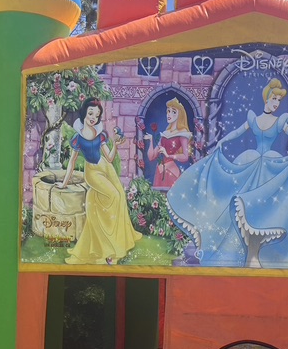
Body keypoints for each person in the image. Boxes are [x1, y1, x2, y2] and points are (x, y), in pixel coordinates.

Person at [167, 78, 288, 268]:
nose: (275, 104)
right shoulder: (254, 119)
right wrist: (223, 141)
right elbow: (238, 132)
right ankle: (248, 255)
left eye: (278, 101)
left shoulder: (280, 121)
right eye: (273, 99)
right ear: (266, 98)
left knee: (261, 213)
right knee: (243, 210)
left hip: (270, 168)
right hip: (251, 163)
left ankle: (256, 256)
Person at [59, 98, 142, 264]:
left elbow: (110, 158)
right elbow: (72, 162)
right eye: (90, 113)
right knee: (114, 196)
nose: (93, 118)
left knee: (119, 195)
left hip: (105, 167)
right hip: (92, 171)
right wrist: (64, 183)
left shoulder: (101, 134)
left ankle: (118, 239)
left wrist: (116, 144)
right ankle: (109, 245)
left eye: (96, 115)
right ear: (84, 114)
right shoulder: (78, 138)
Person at [142, 98, 192, 189]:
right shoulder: (165, 134)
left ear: (179, 114)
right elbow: (151, 156)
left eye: (173, 112)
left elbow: (185, 156)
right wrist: (151, 140)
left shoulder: (183, 133)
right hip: (159, 171)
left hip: (171, 171)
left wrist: (168, 155)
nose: (169, 114)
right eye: (168, 111)